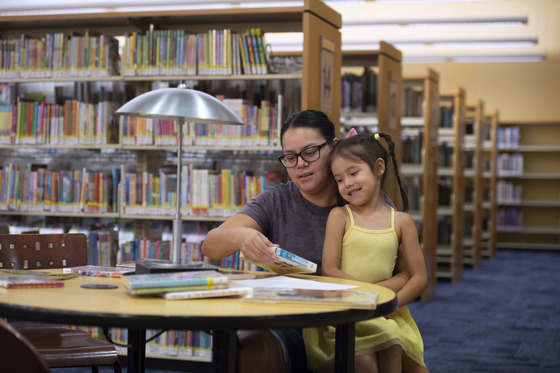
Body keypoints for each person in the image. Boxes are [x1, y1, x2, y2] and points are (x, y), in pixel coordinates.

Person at [202, 110, 410, 372]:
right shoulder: (276, 200)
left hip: (351, 318)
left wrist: (379, 299)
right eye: (290, 157)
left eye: (310, 152)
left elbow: (406, 272)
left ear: (334, 147)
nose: (300, 164)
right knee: (246, 351)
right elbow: (211, 245)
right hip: (288, 320)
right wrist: (242, 236)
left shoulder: (366, 201)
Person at [303, 132, 429, 373]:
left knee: (398, 350)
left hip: (387, 312)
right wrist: (372, 296)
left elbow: (419, 277)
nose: (347, 183)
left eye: (353, 173)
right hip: (345, 310)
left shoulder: (402, 222)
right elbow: (330, 270)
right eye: (339, 179)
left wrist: (391, 304)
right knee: (366, 363)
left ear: (378, 168)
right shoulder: (339, 216)